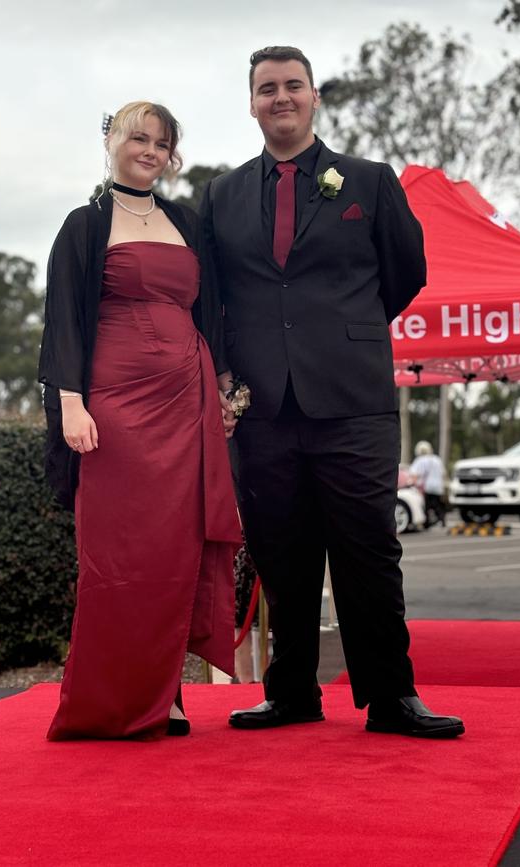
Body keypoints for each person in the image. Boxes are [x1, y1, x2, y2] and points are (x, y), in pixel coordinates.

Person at [200, 46, 464, 738]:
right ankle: (291, 691)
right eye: (266, 88)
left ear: (314, 97)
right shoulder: (221, 197)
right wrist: (228, 377)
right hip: (263, 408)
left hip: (352, 400)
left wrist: (343, 334)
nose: (280, 97)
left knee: (368, 548)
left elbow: (405, 274)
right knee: (281, 552)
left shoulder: (370, 183)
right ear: (251, 102)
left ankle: (391, 695)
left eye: (292, 86)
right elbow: (213, 299)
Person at [38, 101, 241, 740]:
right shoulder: (84, 225)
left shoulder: (187, 221)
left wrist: (226, 390)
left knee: (176, 552)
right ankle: (108, 700)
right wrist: (71, 401)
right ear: (113, 141)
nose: (150, 151)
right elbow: (64, 316)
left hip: (187, 399)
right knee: (118, 550)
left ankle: (168, 695)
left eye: (162, 143)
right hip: (115, 404)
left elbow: (213, 310)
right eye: (139, 138)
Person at [410, 441, 447, 527]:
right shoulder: (437, 459)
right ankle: (442, 519)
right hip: (438, 486)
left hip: (427, 487)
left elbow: (415, 475)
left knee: (426, 506)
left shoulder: (420, 460)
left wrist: (412, 484)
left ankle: (426, 522)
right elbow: (443, 473)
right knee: (437, 504)